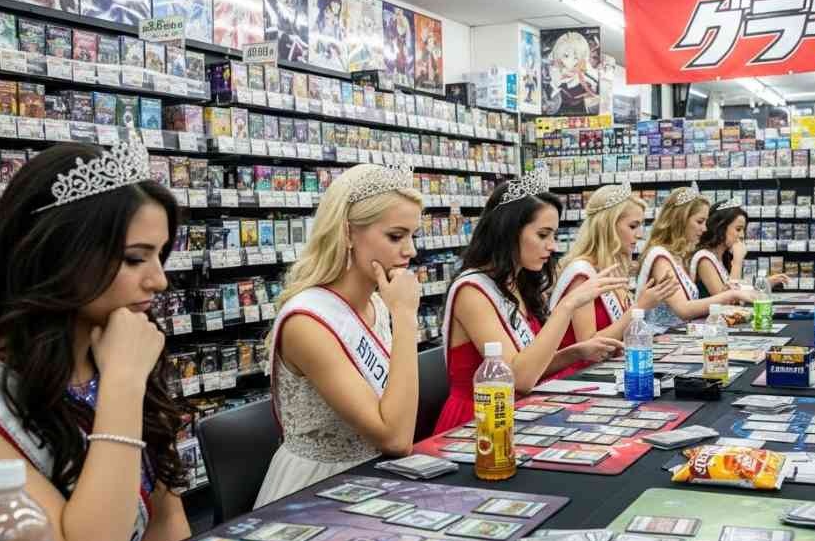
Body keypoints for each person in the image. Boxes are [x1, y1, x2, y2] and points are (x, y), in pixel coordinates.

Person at [0, 140, 190, 541]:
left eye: (160, 255)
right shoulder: (119, 367)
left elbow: (166, 522)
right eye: (135, 258)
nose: (159, 280)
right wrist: (123, 383)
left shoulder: (117, 354)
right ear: (60, 253)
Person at [254, 164, 424, 507]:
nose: (410, 251)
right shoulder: (308, 323)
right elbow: (396, 438)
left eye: (413, 236)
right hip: (317, 489)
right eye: (396, 236)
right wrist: (406, 317)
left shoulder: (377, 304)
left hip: (377, 477)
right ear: (347, 233)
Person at [437, 172, 625, 434]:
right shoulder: (472, 291)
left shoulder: (519, 283)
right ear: (508, 231)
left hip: (519, 413)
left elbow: (528, 365)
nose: (552, 246)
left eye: (553, 235)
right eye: (543, 235)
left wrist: (575, 352)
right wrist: (567, 306)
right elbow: (519, 379)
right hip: (478, 424)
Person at [550, 183, 679, 352]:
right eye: (632, 226)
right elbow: (588, 347)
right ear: (607, 226)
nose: (640, 234)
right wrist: (640, 307)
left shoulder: (611, 267)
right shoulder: (581, 273)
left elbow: (617, 331)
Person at [637, 184, 754, 329]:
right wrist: (731, 294)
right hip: (658, 336)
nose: (704, 228)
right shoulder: (661, 258)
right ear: (680, 220)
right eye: (699, 221)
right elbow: (683, 309)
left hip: (677, 334)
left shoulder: (678, 256)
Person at [690, 197, 789, 297]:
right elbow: (728, 299)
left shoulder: (721, 257)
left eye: (743, 230)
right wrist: (737, 262)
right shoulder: (704, 259)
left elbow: (735, 289)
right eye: (738, 229)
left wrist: (765, 283)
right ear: (720, 228)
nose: (742, 235)